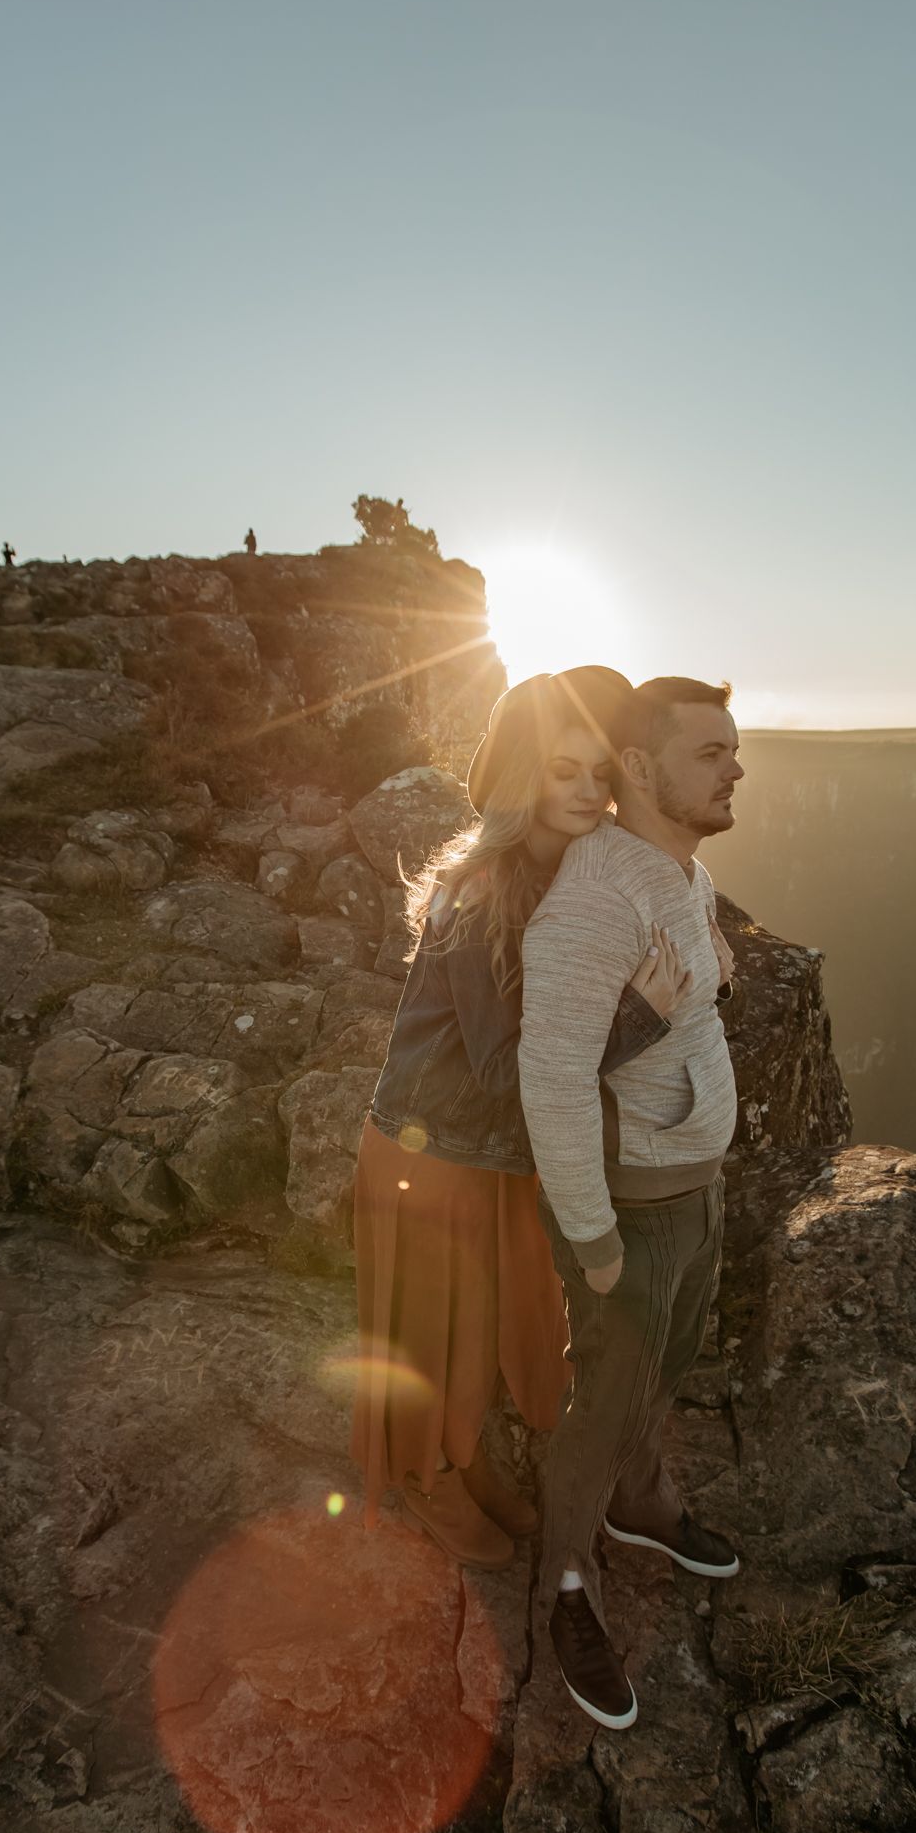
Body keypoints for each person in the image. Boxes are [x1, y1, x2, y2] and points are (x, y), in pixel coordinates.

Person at [351, 667, 692, 1570]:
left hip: (500, 1152)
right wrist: (636, 1021)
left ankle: (463, 1462)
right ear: (520, 779)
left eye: (597, 774)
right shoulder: (481, 887)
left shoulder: (575, 874)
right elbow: (508, 1067)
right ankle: (426, 1480)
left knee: (499, 1326)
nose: (587, 792)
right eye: (560, 772)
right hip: (432, 1150)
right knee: (437, 1340)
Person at [518, 675, 745, 1729]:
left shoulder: (682, 874)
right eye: (713, 752)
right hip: (634, 1212)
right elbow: (553, 1080)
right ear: (644, 770)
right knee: (600, 1395)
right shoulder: (593, 899)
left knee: (672, 1358)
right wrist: (593, 1235)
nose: (738, 766)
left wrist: (716, 971)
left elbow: (685, 986)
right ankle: (565, 1585)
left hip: (695, 1187)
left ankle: (642, 1498)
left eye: (734, 748)